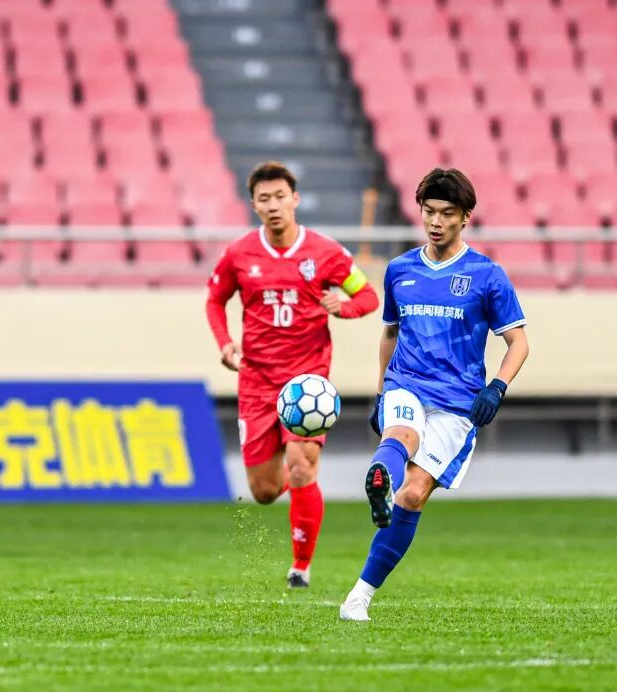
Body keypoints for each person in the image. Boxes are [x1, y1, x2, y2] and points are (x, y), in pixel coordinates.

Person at [338, 168, 529, 622]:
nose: (436, 222)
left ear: (465, 218)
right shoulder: (400, 270)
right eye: (429, 212)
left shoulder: (487, 275)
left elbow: (518, 342)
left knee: (414, 494)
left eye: (447, 213)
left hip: (458, 403)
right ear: (420, 212)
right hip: (406, 383)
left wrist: (497, 387)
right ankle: (380, 482)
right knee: (400, 435)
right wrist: (381, 391)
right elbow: (389, 333)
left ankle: (358, 597)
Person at [205, 161, 379, 588]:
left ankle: (301, 566)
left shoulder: (326, 252)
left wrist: (345, 307)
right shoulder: (239, 254)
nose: (273, 205)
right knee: (264, 492)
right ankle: (292, 476)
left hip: (307, 382)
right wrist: (225, 344)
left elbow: (368, 296)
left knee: (302, 467)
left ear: (295, 199)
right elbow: (214, 301)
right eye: (264, 199)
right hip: (256, 380)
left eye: (280, 196)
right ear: (254, 205)